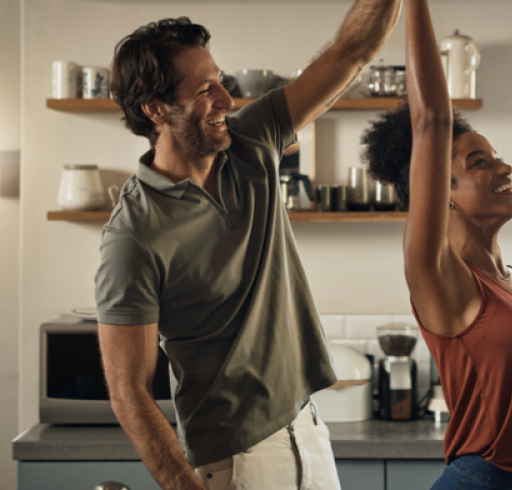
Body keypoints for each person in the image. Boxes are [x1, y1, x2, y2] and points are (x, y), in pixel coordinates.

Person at [95, 5, 401, 490]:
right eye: (203, 90)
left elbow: (352, 51)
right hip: (236, 460)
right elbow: (128, 392)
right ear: (156, 110)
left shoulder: (252, 143)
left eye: (221, 81)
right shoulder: (134, 234)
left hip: (309, 430)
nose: (227, 99)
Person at [360, 0, 512, 488]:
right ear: (439, 197)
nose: (504, 169)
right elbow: (432, 122)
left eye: (497, 158)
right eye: (479, 163)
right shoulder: (441, 278)